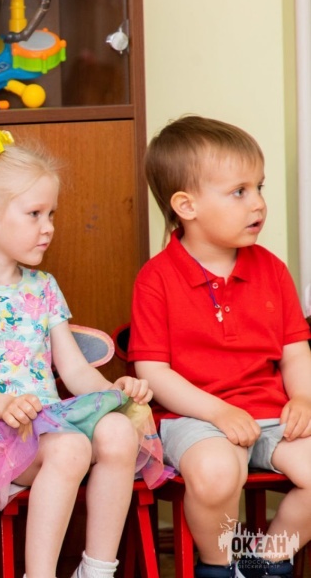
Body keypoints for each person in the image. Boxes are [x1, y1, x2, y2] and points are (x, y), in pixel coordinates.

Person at [0, 129, 169, 578]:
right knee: (72, 448)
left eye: (51, 213)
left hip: (51, 424)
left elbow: (75, 370)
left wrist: (115, 391)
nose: (49, 227)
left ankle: (96, 570)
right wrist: (4, 405)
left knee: (119, 431)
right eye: (35, 214)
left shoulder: (43, 288)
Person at [129, 115, 311, 578]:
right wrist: (219, 412)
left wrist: (304, 398)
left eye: (259, 188)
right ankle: (221, 567)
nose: (258, 203)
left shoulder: (272, 269)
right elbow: (154, 373)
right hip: (195, 419)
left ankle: (267, 562)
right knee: (215, 474)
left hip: (271, 414)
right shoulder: (156, 279)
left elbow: (294, 352)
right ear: (186, 206)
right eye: (239, 191)